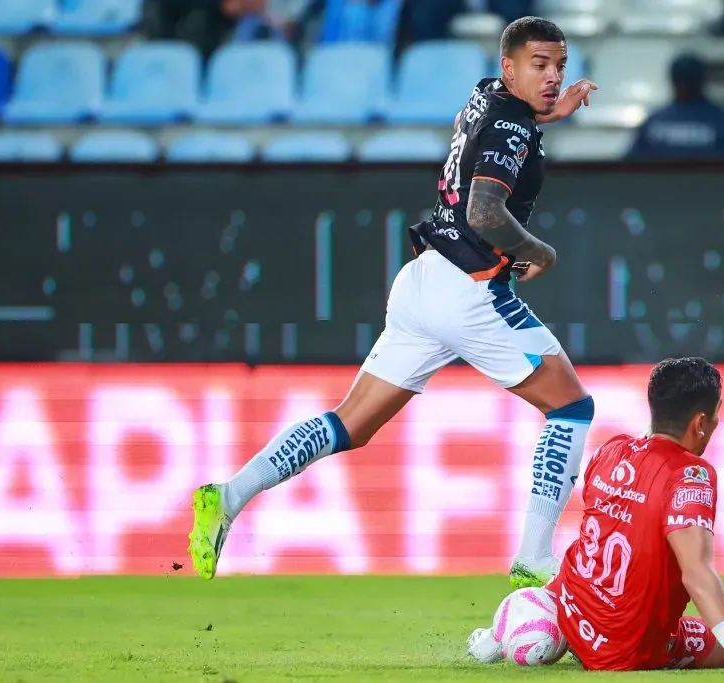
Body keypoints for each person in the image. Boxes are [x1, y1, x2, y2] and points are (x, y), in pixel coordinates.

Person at [187, 16, 600, 590]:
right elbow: (484, 213)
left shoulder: (486, 96)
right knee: (571, 410)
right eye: (540, 65)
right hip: (471, 288)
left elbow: (497, 124)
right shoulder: (512, 123)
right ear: (510, 67)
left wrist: (549, 111)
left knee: (348, 425)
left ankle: (229, 495)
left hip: (421, 280)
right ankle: (534, 553)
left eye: (559, 65)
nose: (554, 76)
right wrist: (540, 252)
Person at [467, 358, 724, 674]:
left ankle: (529, 620)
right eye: (715, 415)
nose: (715, 423)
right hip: (625, 649)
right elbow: (695, 572)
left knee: (589, 566)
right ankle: (536, 626)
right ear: (699, 423)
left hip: (573, 606)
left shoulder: (610, 449)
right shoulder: (691, 475)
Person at [625, 53, 724, 160]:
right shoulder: (723, 120)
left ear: (672, 81)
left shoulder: (654, 121)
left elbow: (628, 168)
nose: (684, 86)